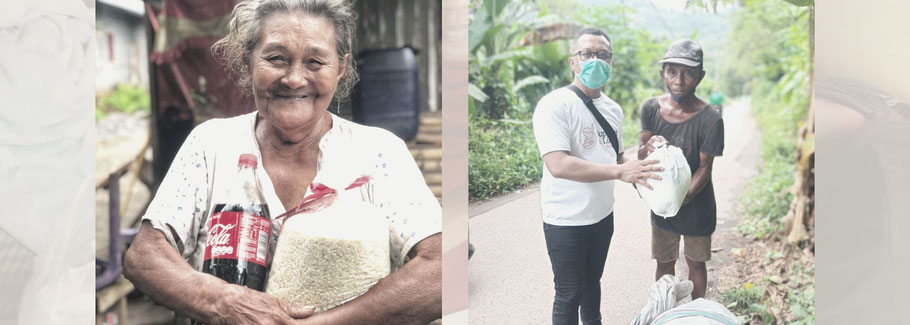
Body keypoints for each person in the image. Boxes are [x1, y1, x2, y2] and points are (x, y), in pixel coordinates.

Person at [122, 1, 442, 324]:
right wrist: (224, 302)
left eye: (315, 62)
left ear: (341, 68)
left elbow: (442, 267)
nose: (294, 79)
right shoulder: (211, 145)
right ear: (248, 63)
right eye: (276, 59)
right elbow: (144, 256)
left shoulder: (378, 152)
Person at [532, 27, 663, 325]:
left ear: (611, 63)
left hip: (603, 216)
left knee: (593, 283)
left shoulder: (613, 110)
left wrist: (643, 162)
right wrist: (620, 171)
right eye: (587, 54)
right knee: (568, 293)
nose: (595, 60)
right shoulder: (554, 105)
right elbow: (559, 165)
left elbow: (616, 158)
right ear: (573, 62)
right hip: (566, 219)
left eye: (603, 55)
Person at [638, 39, 724, 300]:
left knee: (696, 263)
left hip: (696, 205)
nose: (679, 79)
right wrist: (648, 147)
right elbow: (642, 153)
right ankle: (665, 310)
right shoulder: (651, 108)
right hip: (663, 208)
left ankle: (697, 314)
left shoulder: (711, 118)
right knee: (664, 263)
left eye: (688, 72)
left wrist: (683, 198)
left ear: (700, 76)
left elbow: (705, 167)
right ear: (662, 73)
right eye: (672, 71)